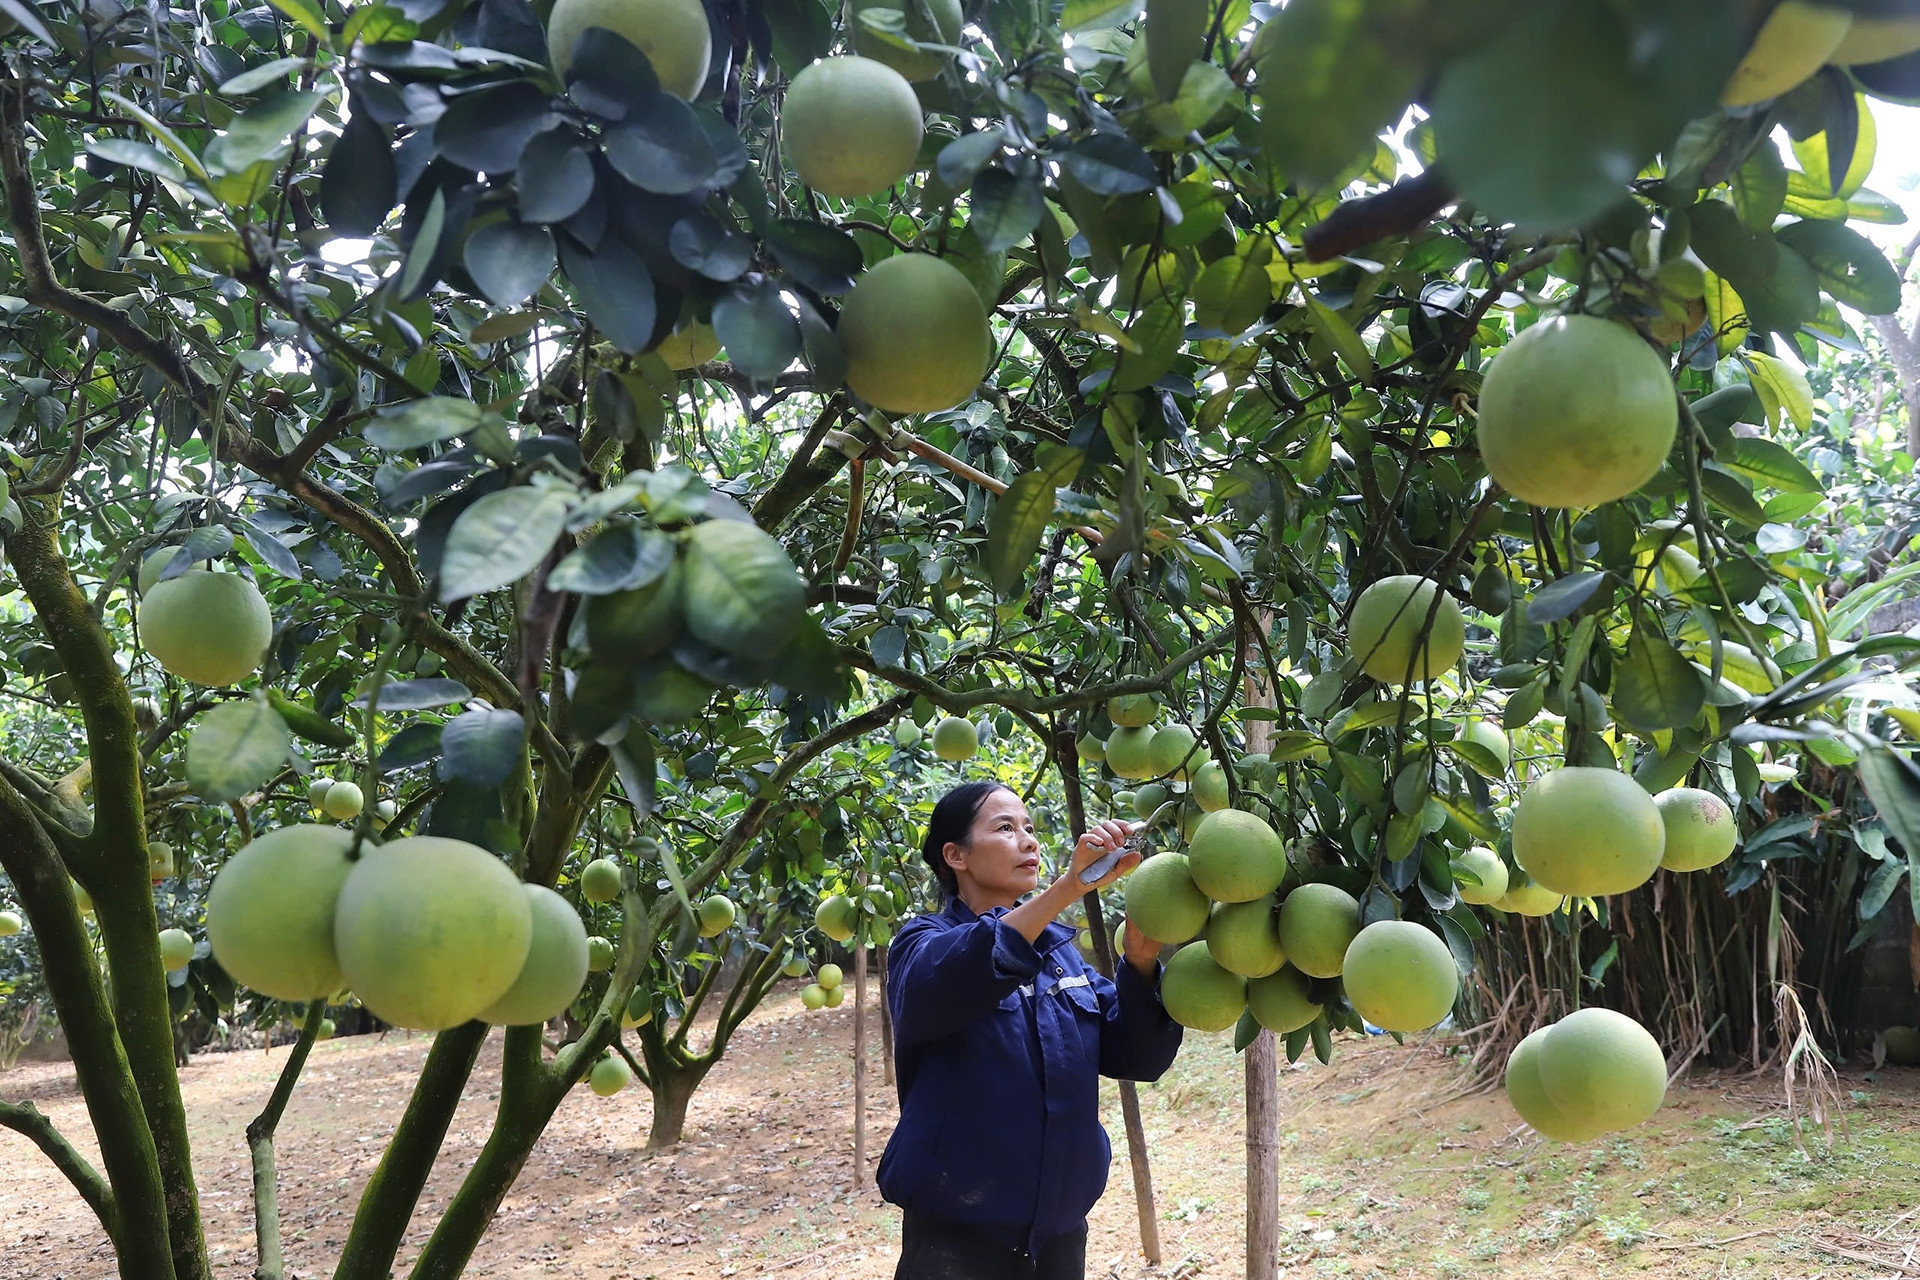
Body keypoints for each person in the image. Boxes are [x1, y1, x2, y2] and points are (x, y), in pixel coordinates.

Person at [877, 779, 1184, 1279]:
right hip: (957, 1248)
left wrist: (1142, 964)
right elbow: (971, 964)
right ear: (956, 856)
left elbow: (1137, 1056)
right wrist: (1069, 888)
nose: (1029, 840)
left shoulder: (1059, 956)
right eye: (1004, 828)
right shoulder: (921, 945)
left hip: (1059, 1242)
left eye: (1030, 828)